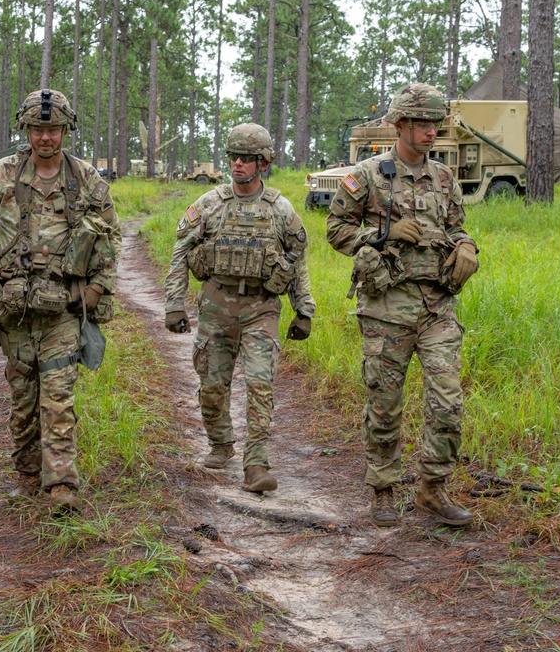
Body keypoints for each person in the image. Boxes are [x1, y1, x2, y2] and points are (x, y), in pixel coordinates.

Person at [0, 89, 120, 513]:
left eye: (52, 129)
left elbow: (110, 241)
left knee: (59, 394)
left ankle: (61, 484)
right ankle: (29, 474)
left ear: (65, 129)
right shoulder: (0, 177)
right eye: (37, 129)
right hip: (13, 308)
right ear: (25, 129)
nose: (45, 137)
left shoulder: (86, 180)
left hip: (64, 308)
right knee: (23, 397)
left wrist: (95, 291)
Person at [326, 83, 479, 528]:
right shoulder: (369, 175)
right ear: (401, 124)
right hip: (386, 306)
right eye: (423, 123)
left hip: (436, 306)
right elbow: (335, 230)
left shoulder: (445, 178)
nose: (432, 132)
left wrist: (467, 248)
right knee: (385, 403)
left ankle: (432, 490)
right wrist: (382, 234)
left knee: (448, 401)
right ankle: (382, 489)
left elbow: (457, 228)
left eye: (436, 124)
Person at [164, 123, 315, 493]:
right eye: (233, 157)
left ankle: (256, 464)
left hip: (262, 307)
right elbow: (180, 252)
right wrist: (174, 303)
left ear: (262, 163)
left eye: (247, 159)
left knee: (261, 384)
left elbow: (297, 259)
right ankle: (220, 444)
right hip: (216, 305)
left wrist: (304, 309)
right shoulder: (210, 204)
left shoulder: (280, 208)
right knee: (213, 385)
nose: (238, 164)